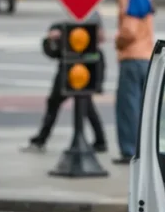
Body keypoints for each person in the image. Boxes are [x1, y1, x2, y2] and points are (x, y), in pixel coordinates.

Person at [21, 11, 108, 154]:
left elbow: (101, 37)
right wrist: (52, 38)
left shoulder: (91, 14)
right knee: (63, 104)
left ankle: (42, 139)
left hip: (84, 65)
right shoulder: (66, 23)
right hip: (70, 65)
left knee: (83, 105)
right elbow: (53, 49)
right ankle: (100, 141)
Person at [112, 0, 155, 165]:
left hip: (132, 57)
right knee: (142, 108)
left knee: (127, 107)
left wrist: (118, 41)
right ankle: (143, 148)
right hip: (146, 56)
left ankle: (129, 150)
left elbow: (129, 29)